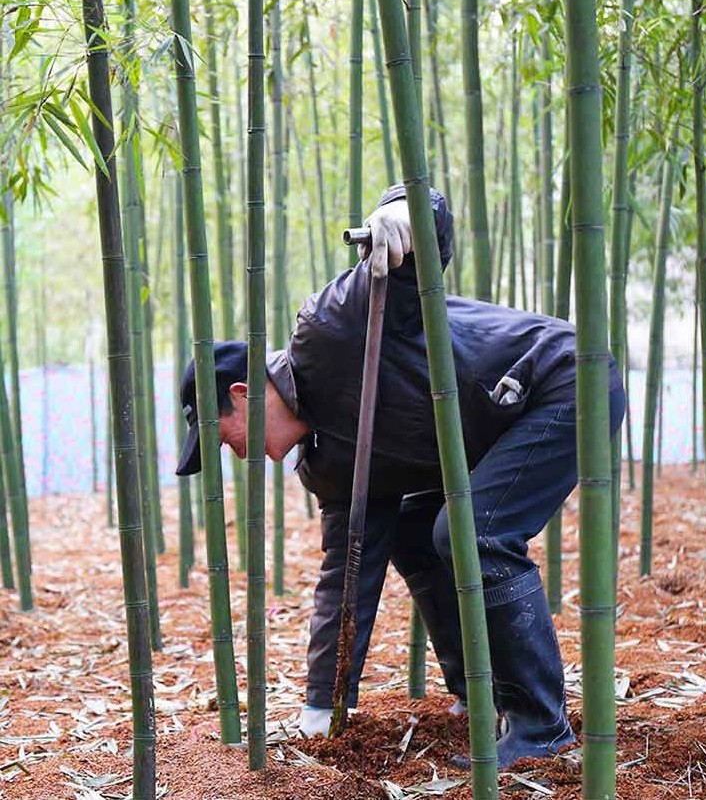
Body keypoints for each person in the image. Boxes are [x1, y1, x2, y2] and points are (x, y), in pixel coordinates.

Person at [176, 184, 626, 769]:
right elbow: (347, 576)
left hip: (562, 382)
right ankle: (478, 691)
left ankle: (541, 722)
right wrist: (322, 709)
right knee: (419, 532)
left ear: (242, 396)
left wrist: (400, 211)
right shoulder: (325, 465)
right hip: (489, 430)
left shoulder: (329, 329)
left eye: (222, 435)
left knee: (475, 534)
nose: (234, 454)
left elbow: (418, 234)